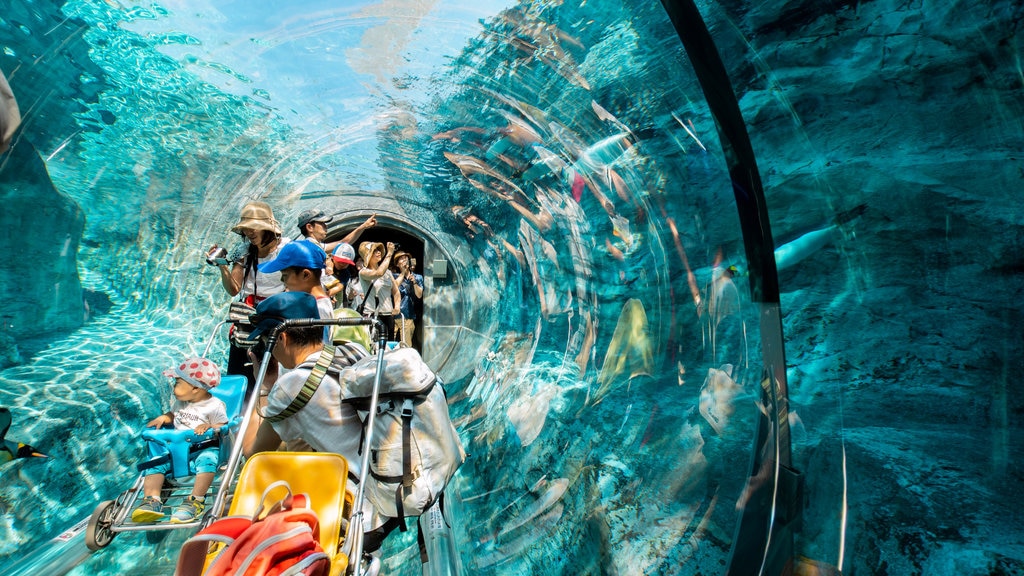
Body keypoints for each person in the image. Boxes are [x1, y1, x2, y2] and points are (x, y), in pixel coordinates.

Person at [241, 292, 367, 468]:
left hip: (354, 490)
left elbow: (253, 452)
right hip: (387, 475)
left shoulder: (290, 387)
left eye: (264, 341)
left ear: (280, 338)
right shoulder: (354, 351)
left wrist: (263, 387)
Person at [132, 357, 228, 524]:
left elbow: (223, 425)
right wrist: (164, 418)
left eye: (177, 383)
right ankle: (152, 500)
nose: (173, 386)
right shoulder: (181, 403)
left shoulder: (215, 405)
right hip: (178, 449)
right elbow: (174, 415)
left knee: (207, 461)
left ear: (196, 388)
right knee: (155, 462)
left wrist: (209, 425)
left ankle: (196, 499)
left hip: (202, 448)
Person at [208, 201, 290, 388]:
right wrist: (222, 266)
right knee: (239, 370)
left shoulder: (285, 249)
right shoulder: (244, 251)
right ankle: (239, 407)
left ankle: (265, 408)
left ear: (267, 228)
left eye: (255, 227)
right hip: (247, 316)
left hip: (276, 317)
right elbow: (234, 289)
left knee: (269, 372)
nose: (249, 233)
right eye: (246, 229)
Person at [257, 239, 334, 322]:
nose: (282, 280)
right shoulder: (313, 305)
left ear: (306, 275)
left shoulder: (318, 310)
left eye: (285, 275)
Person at [358, 241, 400, 340]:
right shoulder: (363, 272)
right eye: (374, 251)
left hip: (388, 315)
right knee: (374, 347)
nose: (378, 252)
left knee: (388, 348)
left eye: (379, 250)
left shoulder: (388, 272)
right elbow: (379, 273)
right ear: (368, 256)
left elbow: (396, 292)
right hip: (373, 316)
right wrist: (389, 253)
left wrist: (397, 307)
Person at [391, 252, 423, 347]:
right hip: (394, 316)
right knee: (391, 345)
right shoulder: (394, 276)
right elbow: (393, 288)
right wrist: (403, 273)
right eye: (401, 259)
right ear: (397, 264)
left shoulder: (417, 277)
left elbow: (419, 295)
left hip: (408, 316)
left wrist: (414, 283)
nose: (404, 260)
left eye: (406, 258)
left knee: (406, 345)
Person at [327, 243, 358, 308]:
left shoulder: (346, 273)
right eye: (340, 261)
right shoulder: (322, 267)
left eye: (346, 262)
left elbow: (339, 287)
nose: (343, 264)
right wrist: (329, 266)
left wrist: (326, 294)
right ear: (333, 257)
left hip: (338, 304)